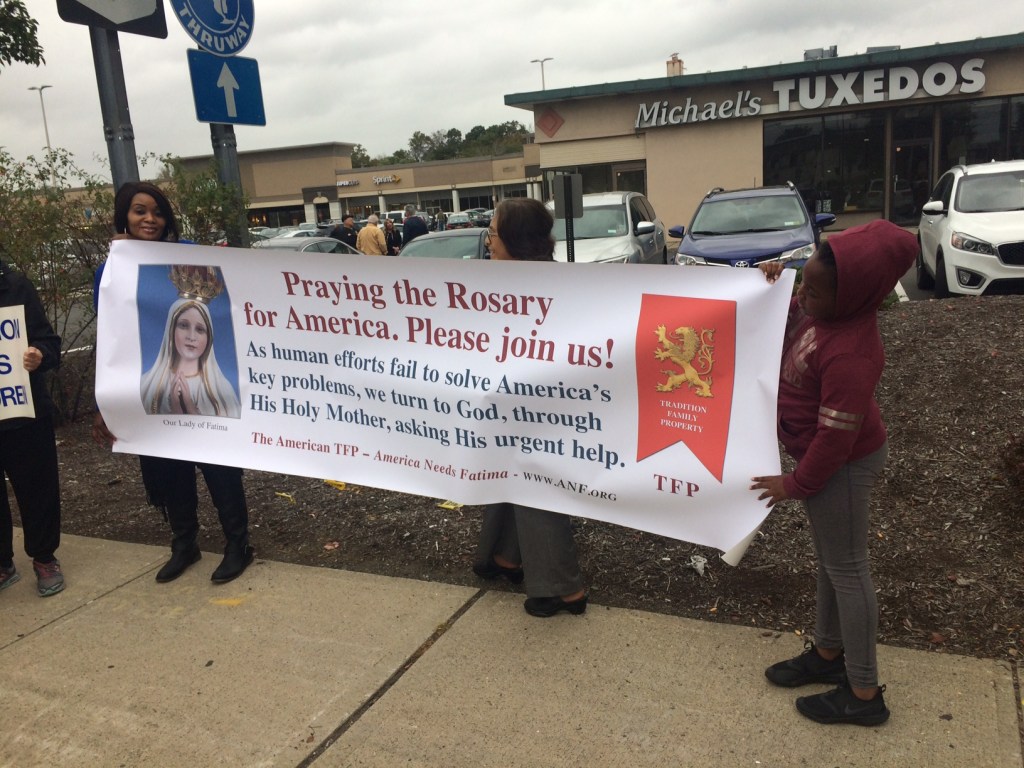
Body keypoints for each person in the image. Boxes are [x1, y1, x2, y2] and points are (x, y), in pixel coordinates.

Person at [751, 219, 916, 727]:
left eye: (813, 292)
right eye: (803, 282)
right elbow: (790, 322)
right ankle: (827, 653)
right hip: (824, 462)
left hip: (842, 467)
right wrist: (775, 288)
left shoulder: (852, 354)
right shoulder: (823, 314)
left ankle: (863, 693)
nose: (803, 296)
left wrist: (794, 485)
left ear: (853, 298)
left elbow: (834, 441)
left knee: (847, 569)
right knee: (831, 562)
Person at [93, 181, 254, 585]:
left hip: (209, 393)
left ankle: (238, 545)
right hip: (154, 392)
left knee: (221, 471)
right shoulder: (110, 272)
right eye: (139, 211)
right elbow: (111, 336)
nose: (150, 219)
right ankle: (185, 543)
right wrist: (105, 402)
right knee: (168, 469)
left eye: (158, 212)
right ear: (124, 217)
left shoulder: (191, 255)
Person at [472, 198, 587, 617]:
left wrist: (762, 281)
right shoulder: (508, 281)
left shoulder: (548, 286)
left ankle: (564, 589)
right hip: (511, 403)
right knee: (507, 470)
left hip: (543, 410)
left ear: (515, 240)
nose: (488, 242)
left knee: (535, 481)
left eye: (493, 233)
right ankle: (505, 556)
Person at [0, 249, 65, 597]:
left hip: (23, 412)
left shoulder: (16, 287)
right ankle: (2, 563)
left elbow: (48, 342)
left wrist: (39, 354)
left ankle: (44, 558)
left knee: (37, 487)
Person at [140, 267, 241, 417]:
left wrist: (190, 408)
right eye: (183, 325)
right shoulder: (146, 385)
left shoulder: (222, 389)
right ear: (171, 329)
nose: (191, 336)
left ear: (209, 337)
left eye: (200, 329)